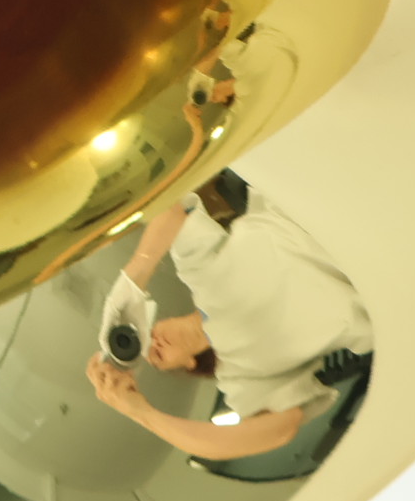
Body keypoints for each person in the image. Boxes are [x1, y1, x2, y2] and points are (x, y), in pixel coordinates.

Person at [84, 174, 372, 461]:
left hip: (313, 192)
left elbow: (173, 207)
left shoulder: (198, 273)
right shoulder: (241, 375)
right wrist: (140, 411)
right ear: (188, 364)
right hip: (372, 277)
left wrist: (131, 283)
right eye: (158, 357)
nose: (153, 345)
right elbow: (279, 431)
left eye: (145, 342)